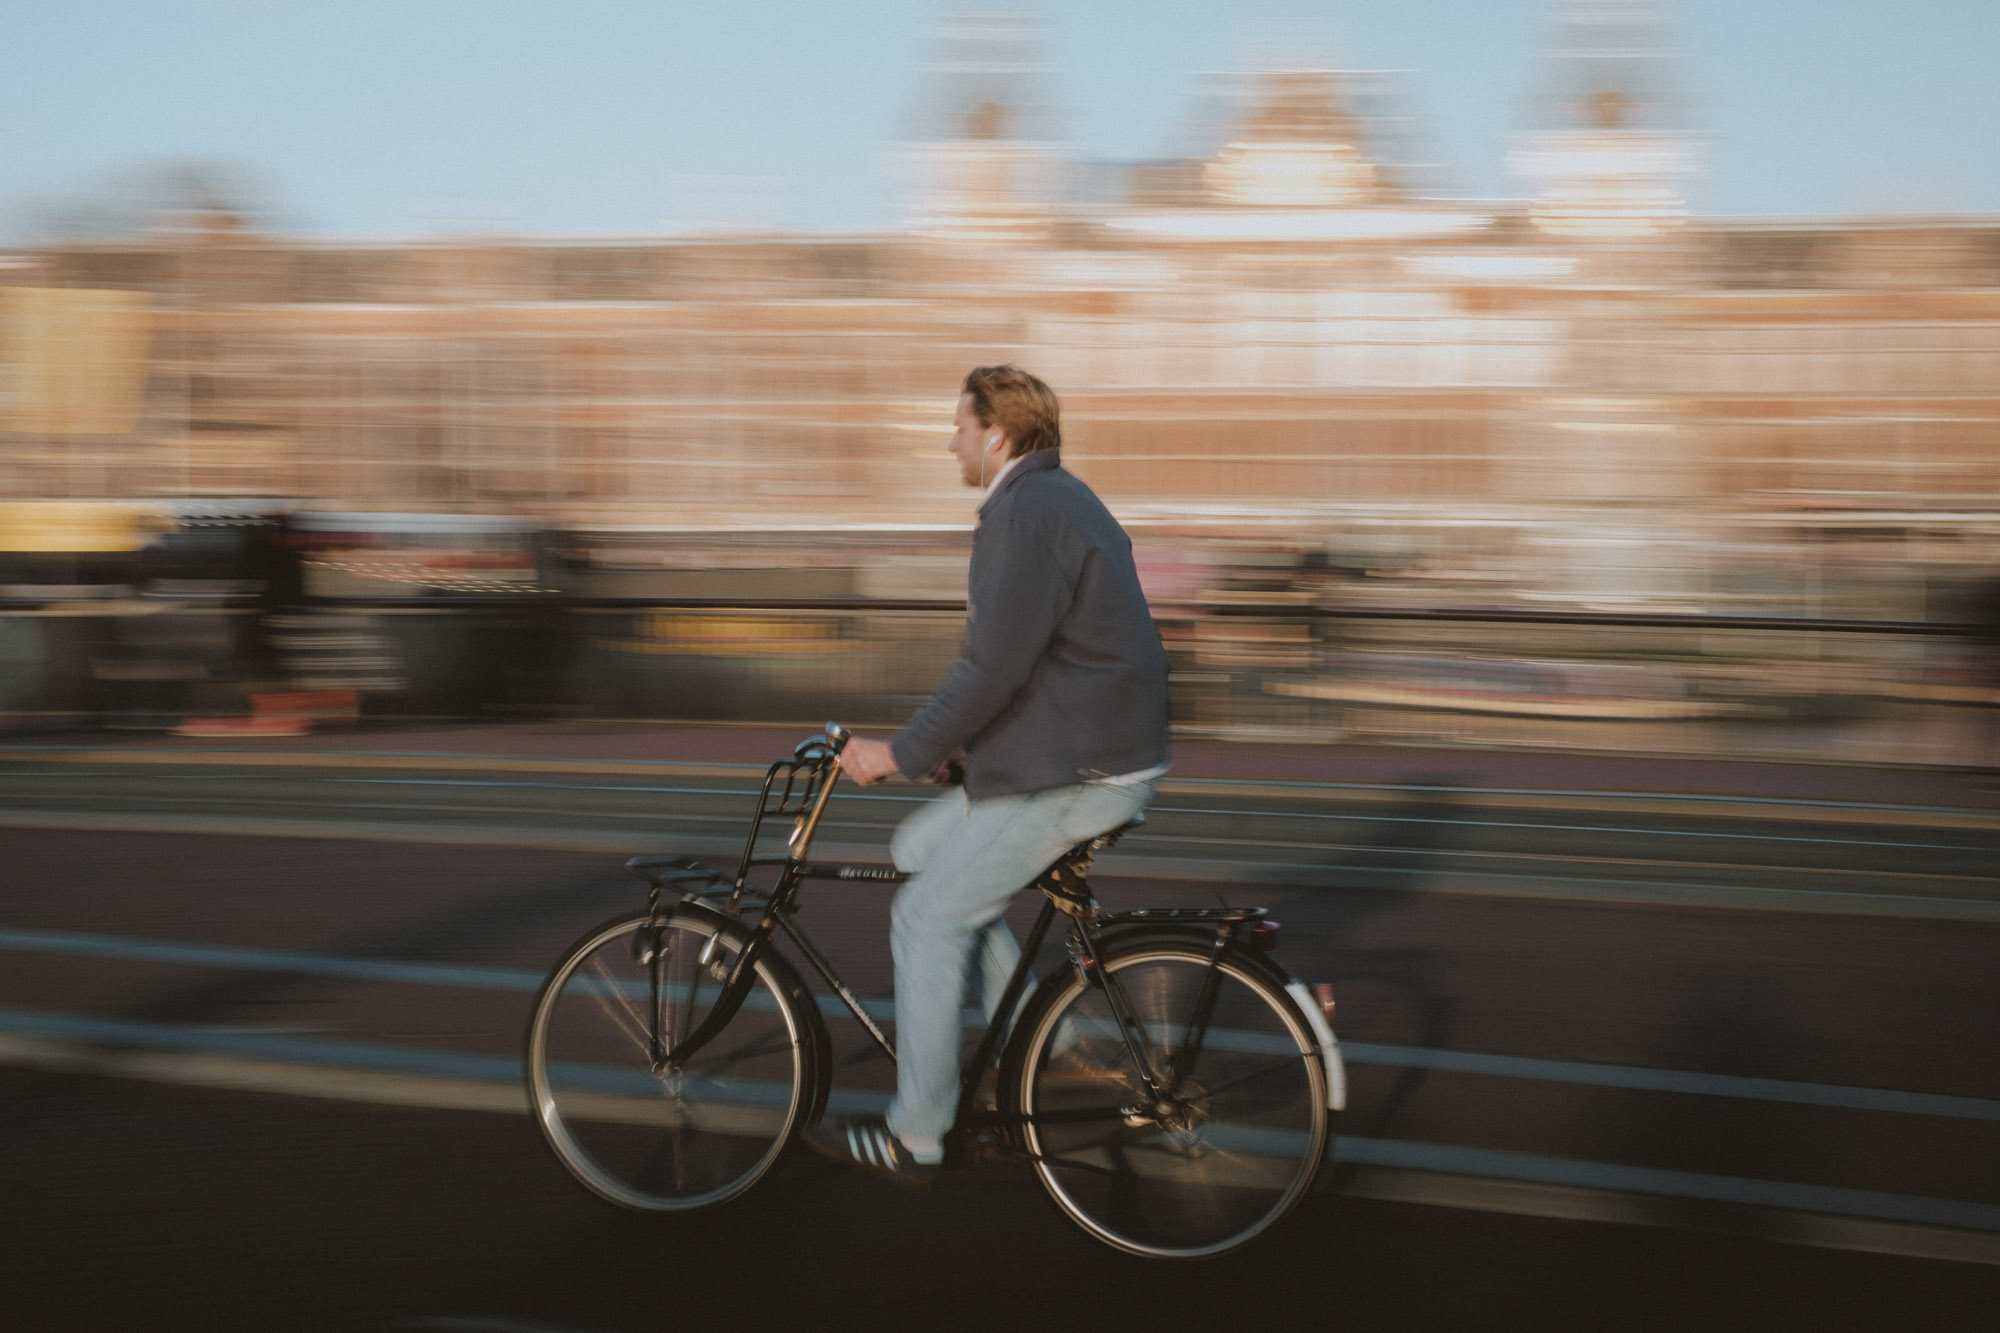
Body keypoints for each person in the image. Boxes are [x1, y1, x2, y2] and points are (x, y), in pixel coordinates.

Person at [807, 365, 1170, 1186]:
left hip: (1081, 771)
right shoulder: (1061, 498)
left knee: (927, 920)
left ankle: (918, 1137)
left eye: (960, 426)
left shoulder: (1022, 512)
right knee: (919, 845)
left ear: (996, 434)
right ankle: (1042, 1036)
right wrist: (963, 749)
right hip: (1084, 744)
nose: (951, 442)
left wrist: (894, 752)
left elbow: (991, 669)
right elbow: (1049, 655)